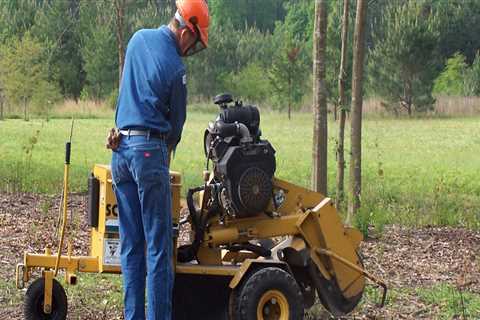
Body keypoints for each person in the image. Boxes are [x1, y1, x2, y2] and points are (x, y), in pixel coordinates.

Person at [106, 1, 209, 319]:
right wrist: (160, 152)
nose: (190, 50)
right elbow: (175, 127)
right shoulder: (176, 69)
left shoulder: (137, 39)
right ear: (186, 31)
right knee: (158, 250)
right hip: (149, 154)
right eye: (194, 42)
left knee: (131, 246)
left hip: (119, 152)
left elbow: (125, 95)